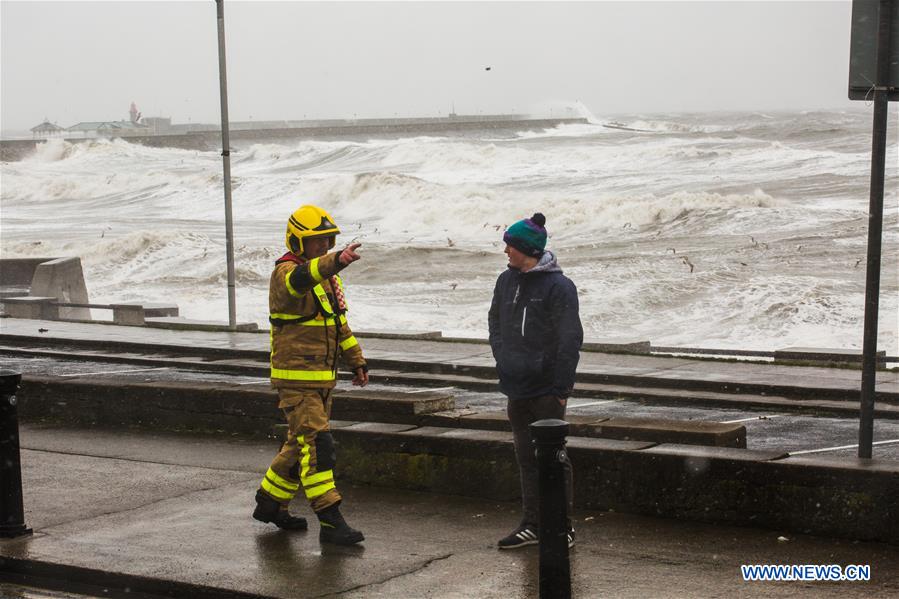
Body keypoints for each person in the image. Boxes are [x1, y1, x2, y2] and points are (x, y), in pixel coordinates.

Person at [252, 204, 369, 546]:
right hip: (297, 379)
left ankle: (270, 503)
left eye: (328, 241)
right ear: (298, 242)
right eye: (318, 241)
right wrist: (337, 261)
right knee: (319, 446)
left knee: (298, 443)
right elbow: (301, 279)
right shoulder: (286, 274)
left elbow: (337, 324)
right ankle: (330, 519)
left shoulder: (324, 279)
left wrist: (356, 360)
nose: (324, 247)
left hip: (321, 378)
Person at [488, 212, 583, 550]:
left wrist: (561, 389)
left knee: (554, 461)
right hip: (516, 387)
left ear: (526, 249)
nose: (506, 252)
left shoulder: (559, 287)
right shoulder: (506, 281)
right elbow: (495, 321)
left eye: (510, 246)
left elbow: (569, 339)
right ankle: (531, 524)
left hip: (546, 390)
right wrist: (503, 358)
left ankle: (562, 526)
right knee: (526, 459)